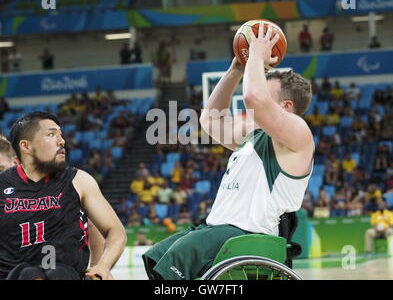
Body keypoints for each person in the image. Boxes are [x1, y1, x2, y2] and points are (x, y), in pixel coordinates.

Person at [142, 24, 314, 280]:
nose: (256, 89)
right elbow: (210, 122)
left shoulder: (299, 133)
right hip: (219, 231)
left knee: (172, 272)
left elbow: (254, 99)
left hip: (246, 235)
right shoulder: (254, 135)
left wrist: (255, 53)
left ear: (286, 106)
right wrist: (237, 69)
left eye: (268, 93)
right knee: (156, 257)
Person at [0, 112, 127, 280]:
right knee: (26, 272)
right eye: (51, 134)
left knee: (58, 272)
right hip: (13, 274)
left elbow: (115, 231)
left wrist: (101, 266)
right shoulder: (4, 183)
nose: (62, 141)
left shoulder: (79, 181)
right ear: (26, 146)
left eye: (60, 134)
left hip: (64, 273)